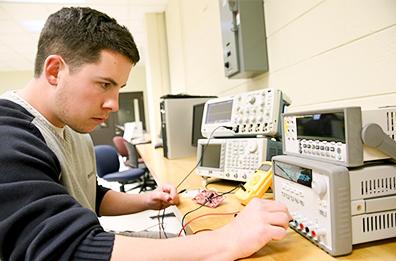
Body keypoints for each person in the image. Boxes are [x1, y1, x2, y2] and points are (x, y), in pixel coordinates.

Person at [0, 7, 291, 261]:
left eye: (118, 89)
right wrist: (227, 240)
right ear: (54, 71)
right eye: (104, 84)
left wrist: (148, 200)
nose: (113, 104)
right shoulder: (9, 136)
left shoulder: (74, 129)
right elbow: (67, 250)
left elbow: (88, 196)